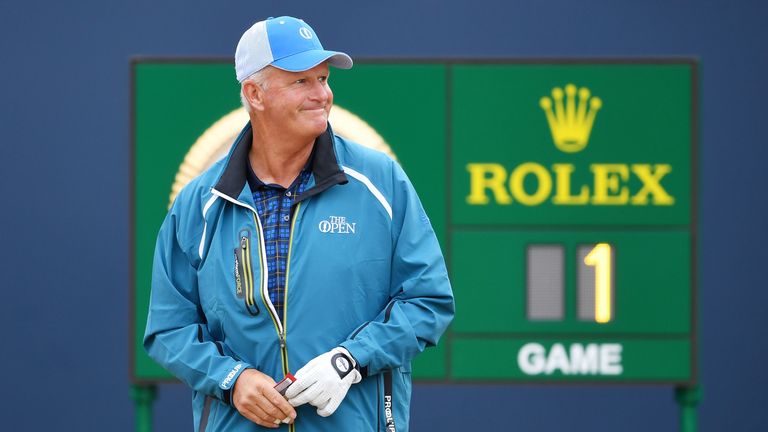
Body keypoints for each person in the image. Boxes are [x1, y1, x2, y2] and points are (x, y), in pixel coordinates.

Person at [144, 15, 454, 431]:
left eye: (323, 79)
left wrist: (350, 360)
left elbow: (428, 301)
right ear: (254, 94)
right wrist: (233, 380)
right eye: (301, 81)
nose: (321, 94)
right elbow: (168, 329)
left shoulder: (381, 182)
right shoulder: (199, 204)